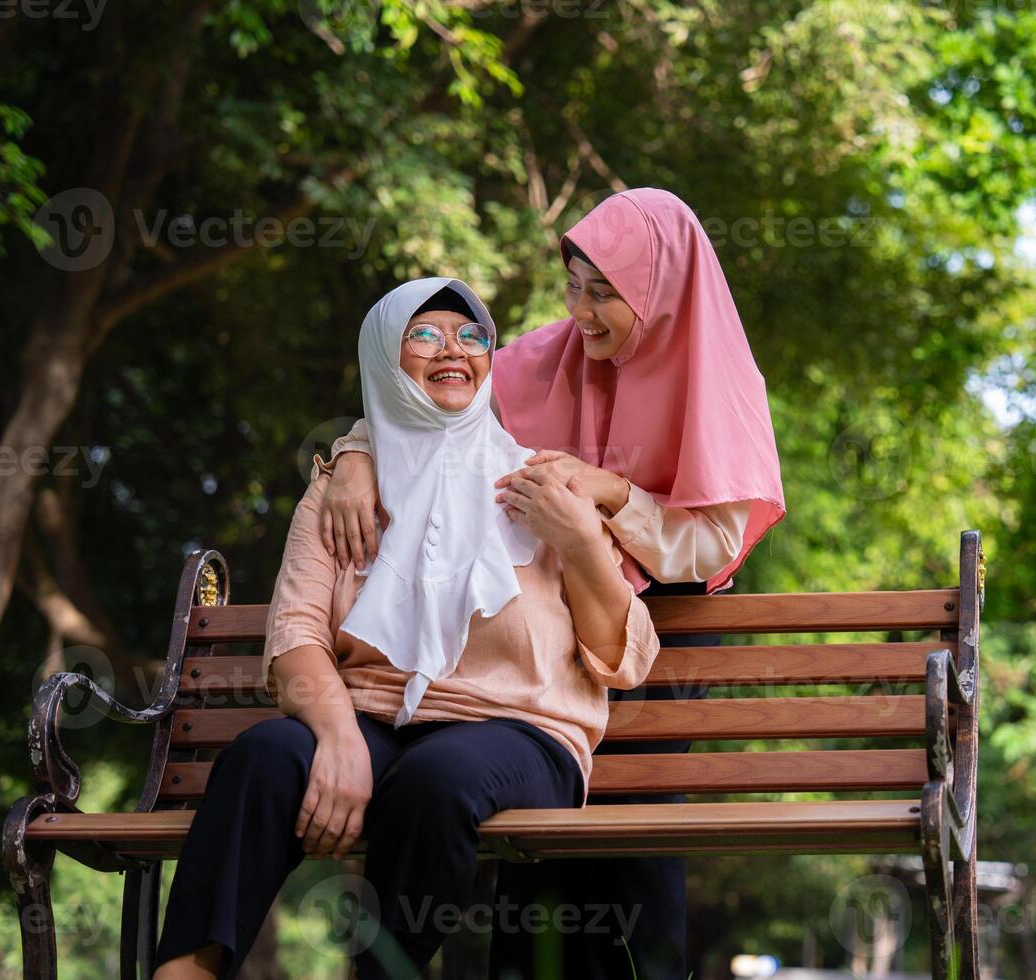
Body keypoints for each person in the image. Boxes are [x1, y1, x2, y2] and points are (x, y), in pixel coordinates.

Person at [313, 189, 786, 979]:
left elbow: (709, 545)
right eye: (574, 285)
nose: (583, 311)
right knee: (538, 848)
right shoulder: (542, 358)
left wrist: (609, 495)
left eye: (605, 293)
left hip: (661, 645)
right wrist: (354, 455)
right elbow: (429, 400)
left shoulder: (722, 383)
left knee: (631, 852)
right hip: (557, 634)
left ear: (661, 287)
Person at [151, 277, 660, 980]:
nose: (452, 349)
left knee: (434, 779)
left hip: (522, 732)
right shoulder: (340, 493)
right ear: (386, 360)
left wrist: (578, 544)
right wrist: (334, 737)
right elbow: (296, 635)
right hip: (371, 719)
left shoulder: (545, 488)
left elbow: (619, 661)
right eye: (423, 335)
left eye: (471, 335)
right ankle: (188, 971)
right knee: (263, 757)